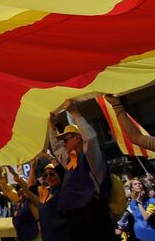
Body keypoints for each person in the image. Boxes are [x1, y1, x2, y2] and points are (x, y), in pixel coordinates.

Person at [49, 100, 115, 240]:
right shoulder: (69, 159)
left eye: (66, 139)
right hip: (75, 218)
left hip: (93, 214)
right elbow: (56, 147)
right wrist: (52, 127)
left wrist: (75, 113)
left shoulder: (90, 157)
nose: (63, 143)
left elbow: (90, 139)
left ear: (78, 138)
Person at [0, 167, 39, 241]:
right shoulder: (19, 201)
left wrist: (15, 175)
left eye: (23, 186)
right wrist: (0, 176)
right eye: (19, 188)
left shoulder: (34, 199)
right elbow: (7, 190)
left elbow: (27, 189)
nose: (21, 189)